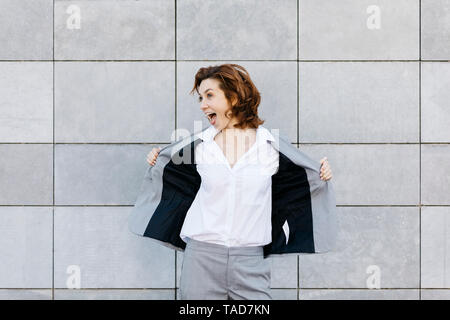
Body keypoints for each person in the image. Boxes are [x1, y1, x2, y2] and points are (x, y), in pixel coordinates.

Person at [145, 64, 333, 300]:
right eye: (201, 97)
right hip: (201, 259)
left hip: (251, 261)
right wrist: (158, 160)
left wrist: (320, 173)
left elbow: (302, 182)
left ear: (233, 97)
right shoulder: (199, 147)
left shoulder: (271, 147)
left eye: (210, 95)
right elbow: (170, 175)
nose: (203, 104)